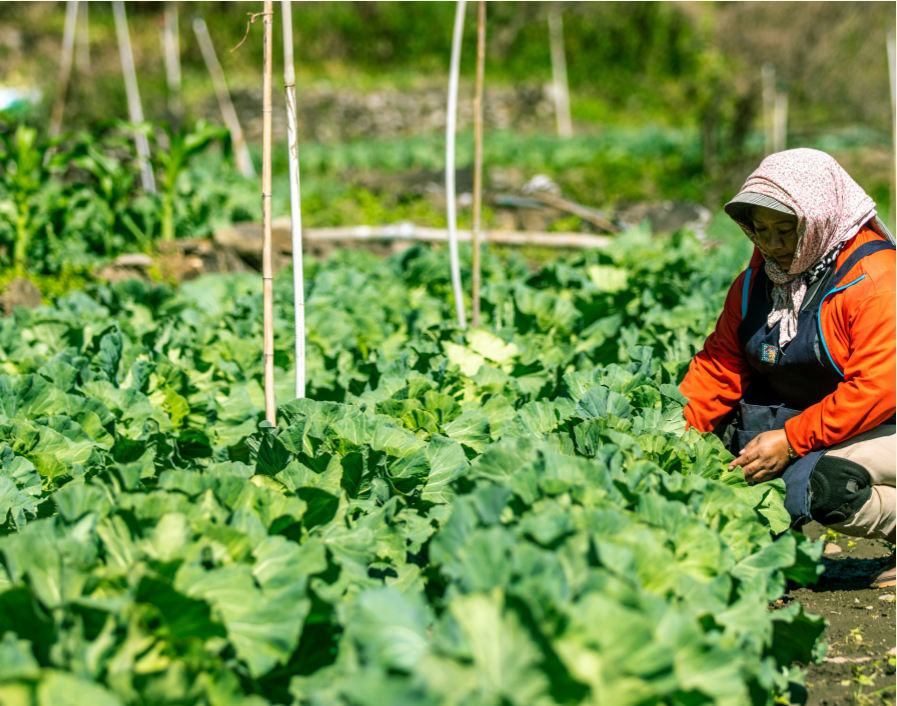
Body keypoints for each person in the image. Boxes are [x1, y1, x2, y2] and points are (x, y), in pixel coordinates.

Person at [681, 149, 896, 589]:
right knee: (723, 438)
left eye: (785, 230)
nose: (773, 244)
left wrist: (792, 441)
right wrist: (673, 441)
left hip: (882, 422)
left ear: (818, 220)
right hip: (817, 426)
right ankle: (793, 538)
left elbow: (877, 388)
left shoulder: (876, 280)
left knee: (829, 488)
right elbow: (719, 367)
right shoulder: (756, 284)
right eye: (761, 230)